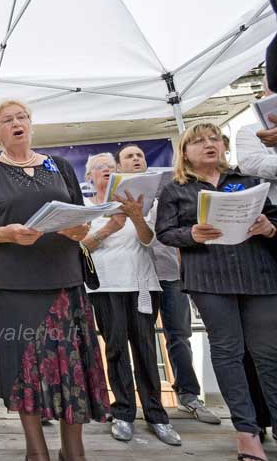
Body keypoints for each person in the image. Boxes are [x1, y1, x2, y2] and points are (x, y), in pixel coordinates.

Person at [0, 100, 110, 461]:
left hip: (65, 279)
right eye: (7, 120)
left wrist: (79, 229)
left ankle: (73, 449)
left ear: (31, 124)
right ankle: (36, 450)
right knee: (26, 367)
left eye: (22, 118)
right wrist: (7, 234)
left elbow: (80, 216)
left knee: (71, 367)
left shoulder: (58, 166)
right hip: (15, 284)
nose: (17, 124)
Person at [156, 122, 277, 461]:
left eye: (214, 139)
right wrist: (191, 234)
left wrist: (269, 228)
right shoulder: (175, 189)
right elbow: (165, 232)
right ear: (185, 152)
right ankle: (246, 432)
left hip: (260, 277)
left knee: (269, 354)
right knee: (228, 352)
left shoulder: (250, 181)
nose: (209, 145)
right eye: (199, 141)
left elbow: (273, 219)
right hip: (210, 279)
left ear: (224, 146)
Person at [114, 143, 221, 425]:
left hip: (170, 276)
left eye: (139, 155)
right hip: (138, 281)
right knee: (143, 341)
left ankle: (188, 396)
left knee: (179, 336)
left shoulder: (165, 198)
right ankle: (148, 403)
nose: (136, 158)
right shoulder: (115, 205)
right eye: (129, 156)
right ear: (118, 167)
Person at [82, 152, 181, 446]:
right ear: (89, 177)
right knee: (115, 349)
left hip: (142, 285)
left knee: (146, 349)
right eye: (99, 168)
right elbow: (81, 248)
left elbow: (150, 240)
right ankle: (123, 414)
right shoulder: (85, 209)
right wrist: (109, 227)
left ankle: (157, 416)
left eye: (111, 168)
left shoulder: (139, 204)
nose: (106, 172)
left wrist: (136, 217)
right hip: (104, 287)